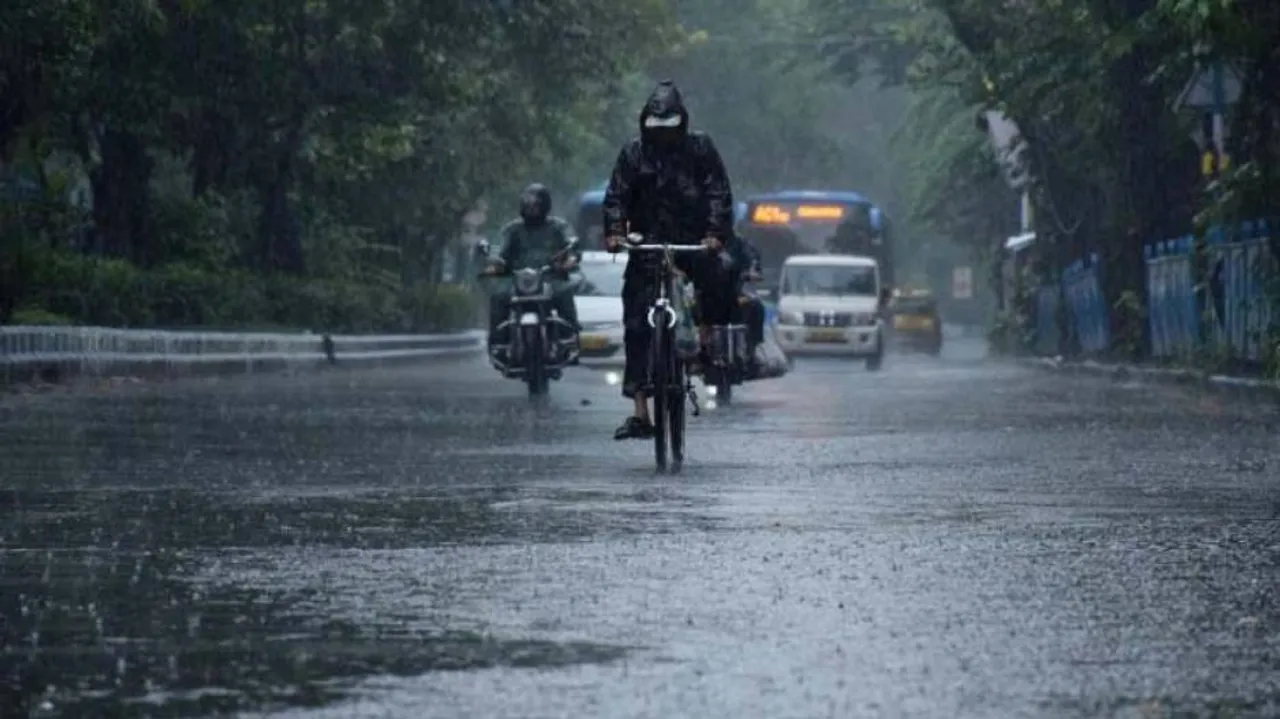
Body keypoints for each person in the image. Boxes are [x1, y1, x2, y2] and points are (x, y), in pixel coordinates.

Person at [602, 80, 736, 440]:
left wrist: (714, 234)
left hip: (694, 242)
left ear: (683, 123)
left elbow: (718, 192)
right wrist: (615, 232)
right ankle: (640, 412)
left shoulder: (700, 149)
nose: (662, 135)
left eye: (669, 126)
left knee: (722, 274)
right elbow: (616, 196)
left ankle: (706, 340)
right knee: (635, 321)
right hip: (646, 245)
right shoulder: (633, 154)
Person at [482, 183, 581, 363]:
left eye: (535, 206)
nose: (531, 210)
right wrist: (494, 262)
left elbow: (571, 243)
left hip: (551, 277)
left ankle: (570, 337)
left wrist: (569, 260)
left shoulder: (558, 226)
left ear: (544, 206)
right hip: (517, 279)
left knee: (564, 291)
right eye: (528, 207)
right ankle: (498, 341)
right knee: (498, 296)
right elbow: (498, 247)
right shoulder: (512, 229)